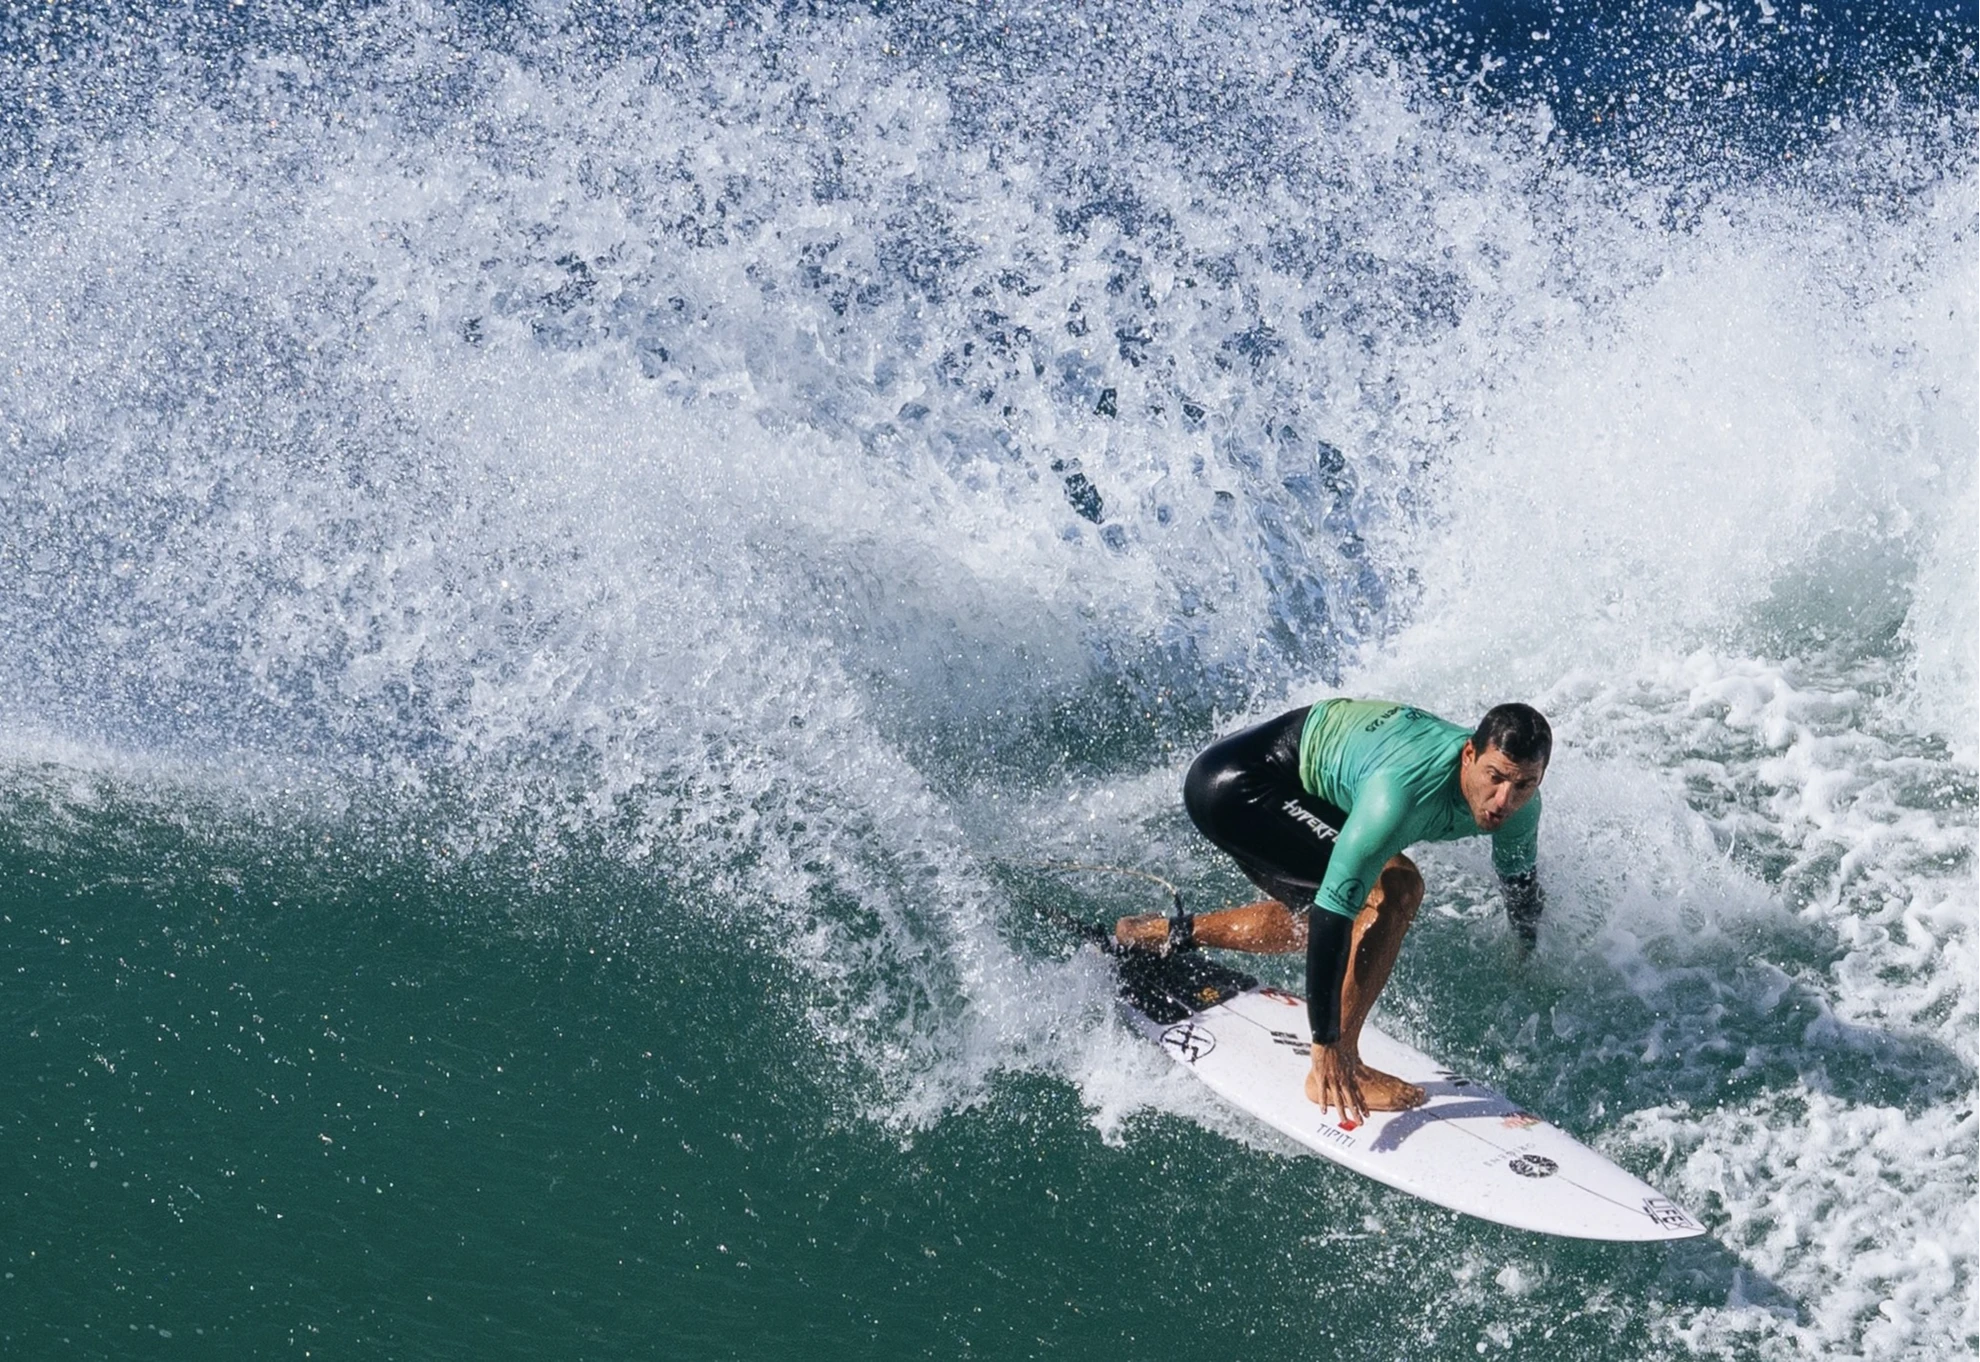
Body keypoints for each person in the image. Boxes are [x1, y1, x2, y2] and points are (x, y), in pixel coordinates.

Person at [1115, 700, 1550, 1123]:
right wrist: (1325, 1043)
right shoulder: (1402, 793)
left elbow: (1520, 887)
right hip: (1240, 787)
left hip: (1298, 781)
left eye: (1523, 785)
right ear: (1469, 755)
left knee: (1331, 917)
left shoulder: (1520, 810)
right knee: (1395, 889)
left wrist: (1524, 952)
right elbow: (1333, 916)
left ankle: (1159, 934)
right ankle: (1337, 1063)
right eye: (1494, 777)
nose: (1503, 800)